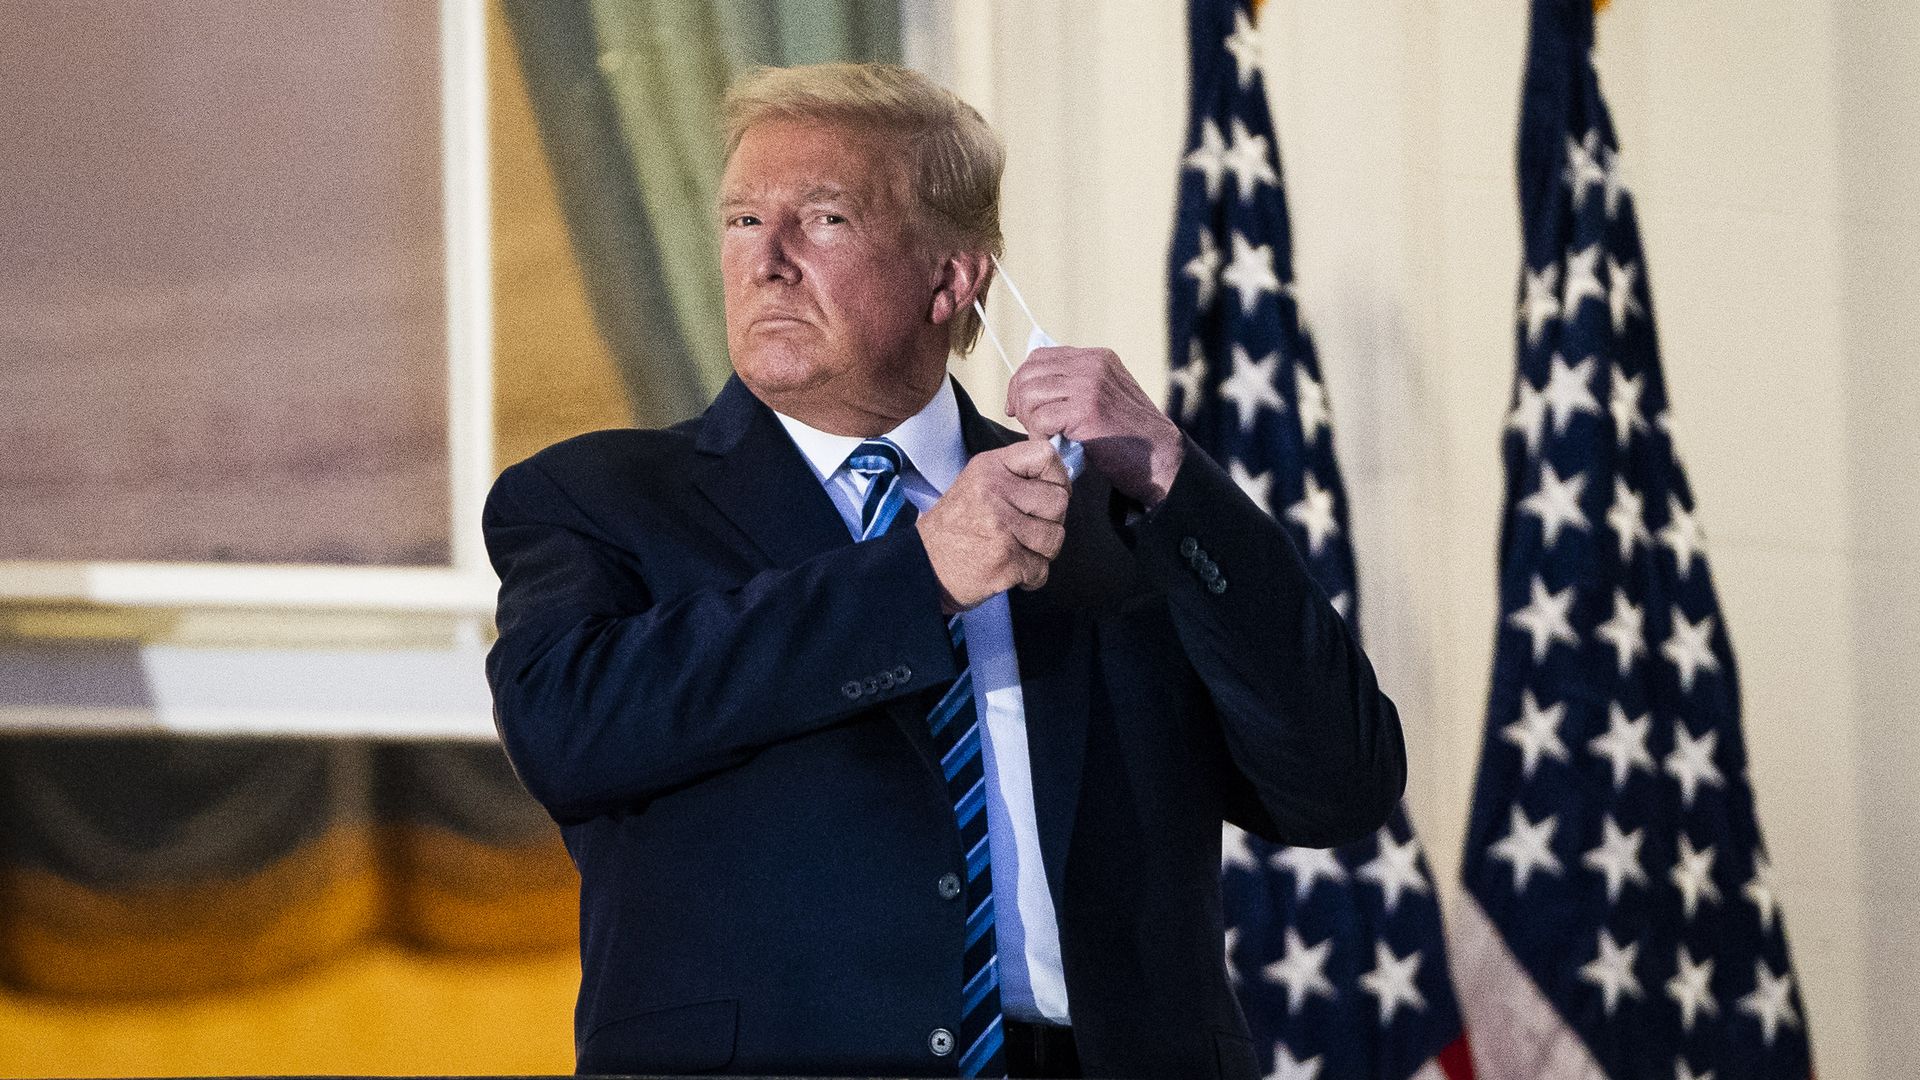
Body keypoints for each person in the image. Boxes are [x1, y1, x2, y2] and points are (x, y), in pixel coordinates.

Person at [483, 62, 1405, 1080]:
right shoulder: (597, 498)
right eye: (743, 221)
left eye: (824, 219)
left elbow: (1340, 785)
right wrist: (915, 577)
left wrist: (1172, 476)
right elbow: (564, 731)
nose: (768, 262)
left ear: (954, 279)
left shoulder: (1114, 517)